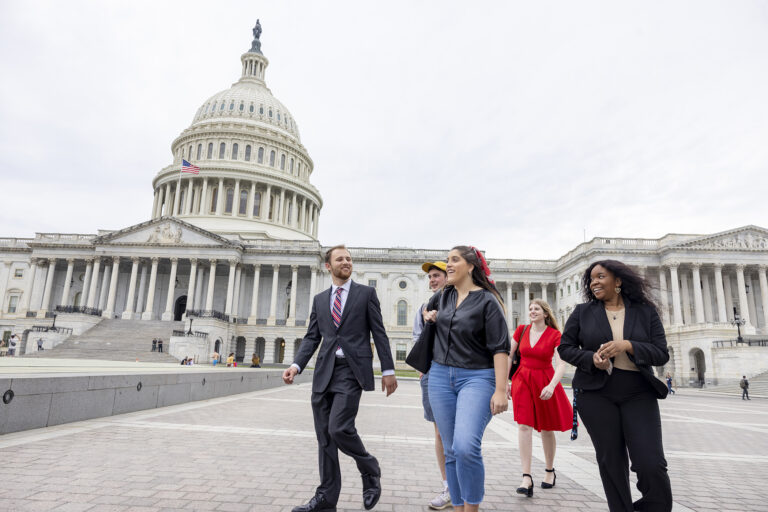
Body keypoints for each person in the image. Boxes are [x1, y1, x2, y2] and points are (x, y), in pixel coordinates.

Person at [283, 245, 398, 512]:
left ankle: (369, 468)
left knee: (339, 428)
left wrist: (389, 370)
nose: (346, 262)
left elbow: (379, 333)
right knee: (325, 438)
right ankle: (326, 498)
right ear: (328, 266)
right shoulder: (320, 299)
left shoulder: (366, 294)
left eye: (348, 258)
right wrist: (296, 365)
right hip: (324, 371)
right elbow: (313, 336)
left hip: (351, 370)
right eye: (340, 259)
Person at [558, 260, 672, 512]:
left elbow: (661, 354)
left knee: (650, 462)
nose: (594, 282)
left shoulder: (645, 311)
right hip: (596, 393)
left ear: (618, 281)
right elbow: (565, 348)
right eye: (591, 279)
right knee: (611, 462)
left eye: (600, 276)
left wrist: (628, 345)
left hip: (638, 391)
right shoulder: (582, 312)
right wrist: (591, 359)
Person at [422, 246, 510, 512]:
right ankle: (457, 507)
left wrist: (501, 390)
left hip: (477, 377)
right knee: (450, 449)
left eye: (454, 260)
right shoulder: (444, 295)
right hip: (439, 375)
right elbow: (429, 312)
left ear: (471, 266)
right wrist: (429, 316)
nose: (448, 265)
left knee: (465, 446)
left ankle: (471, 509)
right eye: (447, 260)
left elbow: (500, 348)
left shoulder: (487, 301)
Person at [508, 299, 572, 498]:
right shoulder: (521, 330)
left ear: (545, 313)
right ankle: (526, 477)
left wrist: (552, 385)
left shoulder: (555, 335)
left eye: (536, 309)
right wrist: (506, 382)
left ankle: (549, 470)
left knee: (546, 428)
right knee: (524, 426)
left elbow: (561, 364)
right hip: (523, 380)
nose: (532, 311)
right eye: (530, 309)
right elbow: (509, 356)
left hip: (545, 379)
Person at [413, 260, 450, 510]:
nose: (432, 280)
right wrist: (421, 367)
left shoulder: (465, 302)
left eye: (437, 275)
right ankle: (448, 485)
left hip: (458, 373)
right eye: (430, 277)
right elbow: (417, 336)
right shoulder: (424, 307)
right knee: (439, 431)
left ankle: (462, 484)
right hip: (432, 372)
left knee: (459, 433)